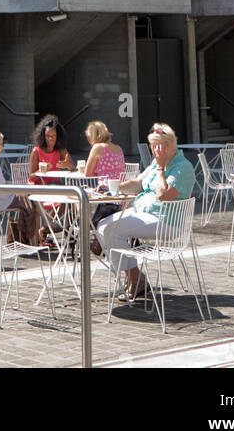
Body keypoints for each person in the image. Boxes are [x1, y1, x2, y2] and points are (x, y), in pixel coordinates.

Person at [97, 122, 195, 302]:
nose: (154, 150)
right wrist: (113, 186)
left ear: (168, 145)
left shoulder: (182, 167)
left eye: (157, 145)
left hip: (166, 221)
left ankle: (135, 278)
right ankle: (135, 275)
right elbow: (138, 183)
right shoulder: (155, 163)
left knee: (111, 230)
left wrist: (160, 169)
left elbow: (164, 195)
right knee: (103, 226)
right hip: (146, 214)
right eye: (152, 145)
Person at [28, 113, 75, 181]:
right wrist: (41, 171)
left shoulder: (60, 149)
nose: (50, 138)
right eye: (48, 136)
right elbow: (31, 177)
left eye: (53, 136)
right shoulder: (36, 151)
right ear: (43, 136)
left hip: (55, 186)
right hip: (39, 187)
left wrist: (68, 165)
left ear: (58, 136)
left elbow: (73, 168)